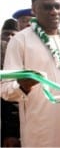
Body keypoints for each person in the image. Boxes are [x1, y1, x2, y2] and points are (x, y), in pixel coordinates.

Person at [1, 0, 60, 147]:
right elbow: (5, 88)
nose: (54, 11)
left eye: (57, 6)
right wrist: (23, 86)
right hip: (41, 127)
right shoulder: (20, 40)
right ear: (34, 9)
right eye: (47, 7)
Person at [1, 19, 21, 147]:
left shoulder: (21, 55)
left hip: (11, 125)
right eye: (6, 34)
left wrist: (11, 132)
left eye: (13, 34)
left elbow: (13, 99)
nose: (9, 37)